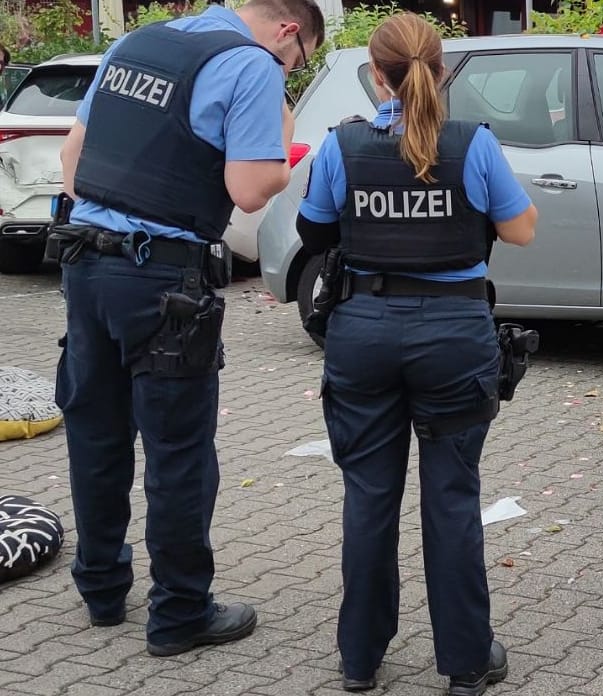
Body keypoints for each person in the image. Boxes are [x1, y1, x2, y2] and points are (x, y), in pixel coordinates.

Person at [54, 0, 324, 657]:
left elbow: (73, 158)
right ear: (288, 29)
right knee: (177, 455)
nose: (289, 70)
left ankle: (101, 590)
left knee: (97, 435)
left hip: (85, 266)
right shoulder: (250, 66)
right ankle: (179, 615)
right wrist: (285, 139)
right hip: (163, 285)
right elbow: (252, 187)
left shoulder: (139, 43)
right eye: (299, 60)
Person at [294, 12, 537, 695]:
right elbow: (521, 231)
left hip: (364, 332)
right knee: (452, 498)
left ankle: (360, 661)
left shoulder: (343, 147)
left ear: (377, 76)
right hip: (453, 338)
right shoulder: (475, 144)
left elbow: (313, 235)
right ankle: (465, 663)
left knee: (369, 496)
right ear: (441, 71)